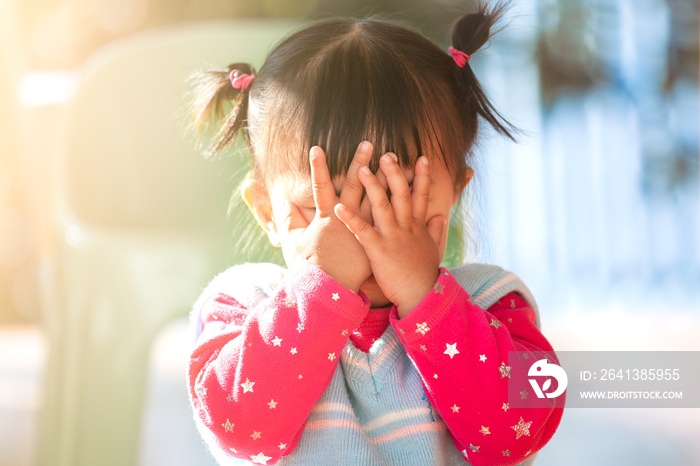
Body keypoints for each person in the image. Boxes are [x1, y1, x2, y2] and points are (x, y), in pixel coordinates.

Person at [187, 2, 564, 465]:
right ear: (267, 210)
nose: (363, 242)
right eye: (321, 211)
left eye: (399, 204)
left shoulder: (492, 303)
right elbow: (240, 429)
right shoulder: (243, 306)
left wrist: (427, 299)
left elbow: (519, 432)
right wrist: (320, 292)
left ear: (453, 196)